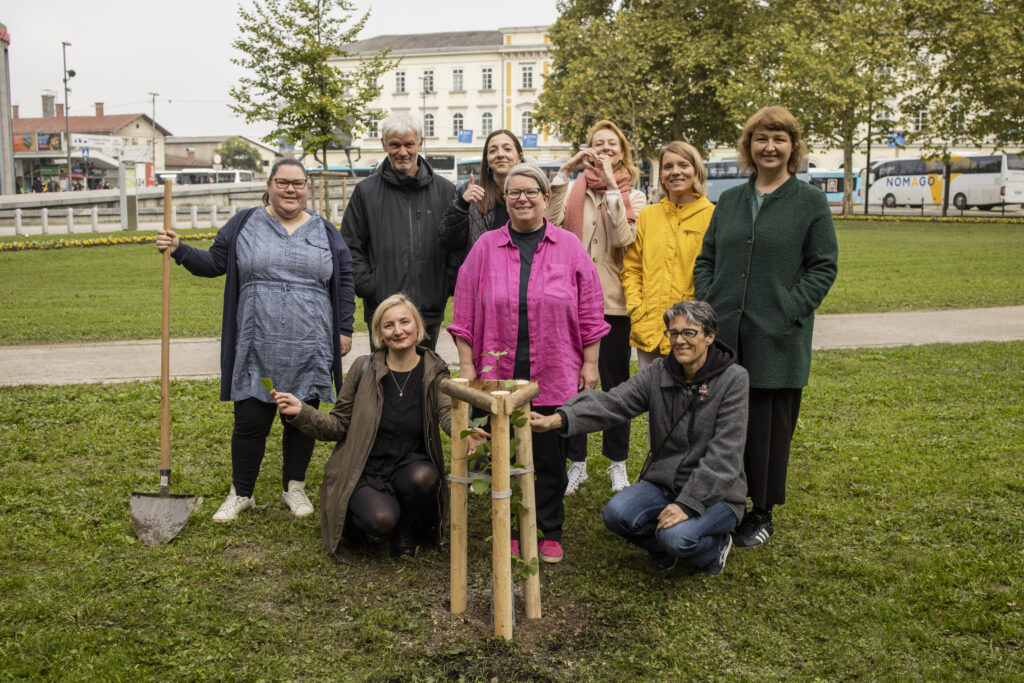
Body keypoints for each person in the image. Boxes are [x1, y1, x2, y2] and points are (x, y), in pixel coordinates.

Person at [156, 157, 355, 522]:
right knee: (250, 418)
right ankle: (241, 492)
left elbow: (343, 279)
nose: (290, 190)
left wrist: (344, 328)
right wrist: (180, 249)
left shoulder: (326, 231)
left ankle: (293, 487)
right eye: (283, 182)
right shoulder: (245, 223)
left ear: (307, 188)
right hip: (256, 341)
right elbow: (215, 262)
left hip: (309, 345)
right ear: (269, 184)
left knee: (302, 418)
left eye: (298, 183)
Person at [448, 163, 609, 564]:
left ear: (545, 197)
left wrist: (591, 364)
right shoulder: (485, 247)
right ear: (504, 200)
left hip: (554, 369)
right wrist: (467, 365)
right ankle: (514, 529)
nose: (523, 198)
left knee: (550, 455)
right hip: (499, 373)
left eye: (531, 191)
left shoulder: (568, 246)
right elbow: (464, 307)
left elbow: (591, 308)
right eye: (514, 192)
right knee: (503, 454)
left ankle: (549, 529)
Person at [694, 105, 838, 548]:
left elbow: (823, 266)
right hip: (727, 335)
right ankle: (722, 497)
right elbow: (707, 259)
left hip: (777, 338)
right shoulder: (732, 200)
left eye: (779, 138)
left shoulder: (809, 202)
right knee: (721, 422)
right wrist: (709, 303)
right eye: (761, 138)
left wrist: (788, 309)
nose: (769, 146)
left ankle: (761, 511)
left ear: (793, 147)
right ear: (748, 147)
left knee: (767, 426)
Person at [531, 301, 747, 575]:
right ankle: (666, 550)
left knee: (676, 537)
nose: (679, 341)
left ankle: (714, 548)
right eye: (673, 333)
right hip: (665, 485)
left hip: (718, 495)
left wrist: (688, 504)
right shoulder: (658, 372)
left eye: (689, 333)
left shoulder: (734, 380)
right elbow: (614, 403)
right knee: (616, 514)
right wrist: (558, 418)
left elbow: (724, 456)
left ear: (709, 336)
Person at [273, 295, 486, 561]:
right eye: (389, 325)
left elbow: (446, 410)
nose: (398, 330)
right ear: (380, 334)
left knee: (425, 477)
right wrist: (302, 411)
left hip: (409, 464)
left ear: (418, 328)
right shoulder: (364, 369)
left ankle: (406, 530)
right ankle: (356, 519)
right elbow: (338, 425)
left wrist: (464, 432)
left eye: (405, 322)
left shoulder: (434, 369)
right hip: (364, 468)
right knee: (381, 520)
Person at [546, 119, 646, 495]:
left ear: (622, 151)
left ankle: (617, 462)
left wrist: (610, 187)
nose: (605, 149)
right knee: (573, 384)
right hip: (570, 300)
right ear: (587, 149)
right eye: (597, 144)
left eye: (612, 144)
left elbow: (624, 236)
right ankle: (578, 462)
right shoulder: (573, 189)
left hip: (613, 304)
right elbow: (549, 222)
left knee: (616, 385)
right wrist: (565, 172)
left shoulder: (633, 196)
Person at [341, 113, 457, 351]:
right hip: (383, 312)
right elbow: (350, 246)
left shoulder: (446, 191)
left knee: (425, 380)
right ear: (384, 144)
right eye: (395, 144)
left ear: (420, 143)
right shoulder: (366, 192)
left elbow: (456, 245)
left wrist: (445, 285)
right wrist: (370, 286)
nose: (402, 152)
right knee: (385, 382)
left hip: (429, 310)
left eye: (408, 144)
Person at [621, 141, 715, 372]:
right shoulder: (649, 216)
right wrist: (635, 307)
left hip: (693, 330)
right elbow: (632, 268)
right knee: (654, 401)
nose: (675, 171)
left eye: (683, 164)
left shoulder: (713, 216)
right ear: (661, 175)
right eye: (668, 166)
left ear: (696, 170)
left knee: (693, 402)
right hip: (650, 327)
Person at [439, 129, 524, 262]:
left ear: (519, 157)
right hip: (481, 277)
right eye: (493, 150)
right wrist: (462, 205)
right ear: (487, 159)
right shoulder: (469, 191)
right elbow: (448, 241)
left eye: (507, 149)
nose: (500, 154)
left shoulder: (532, 193)